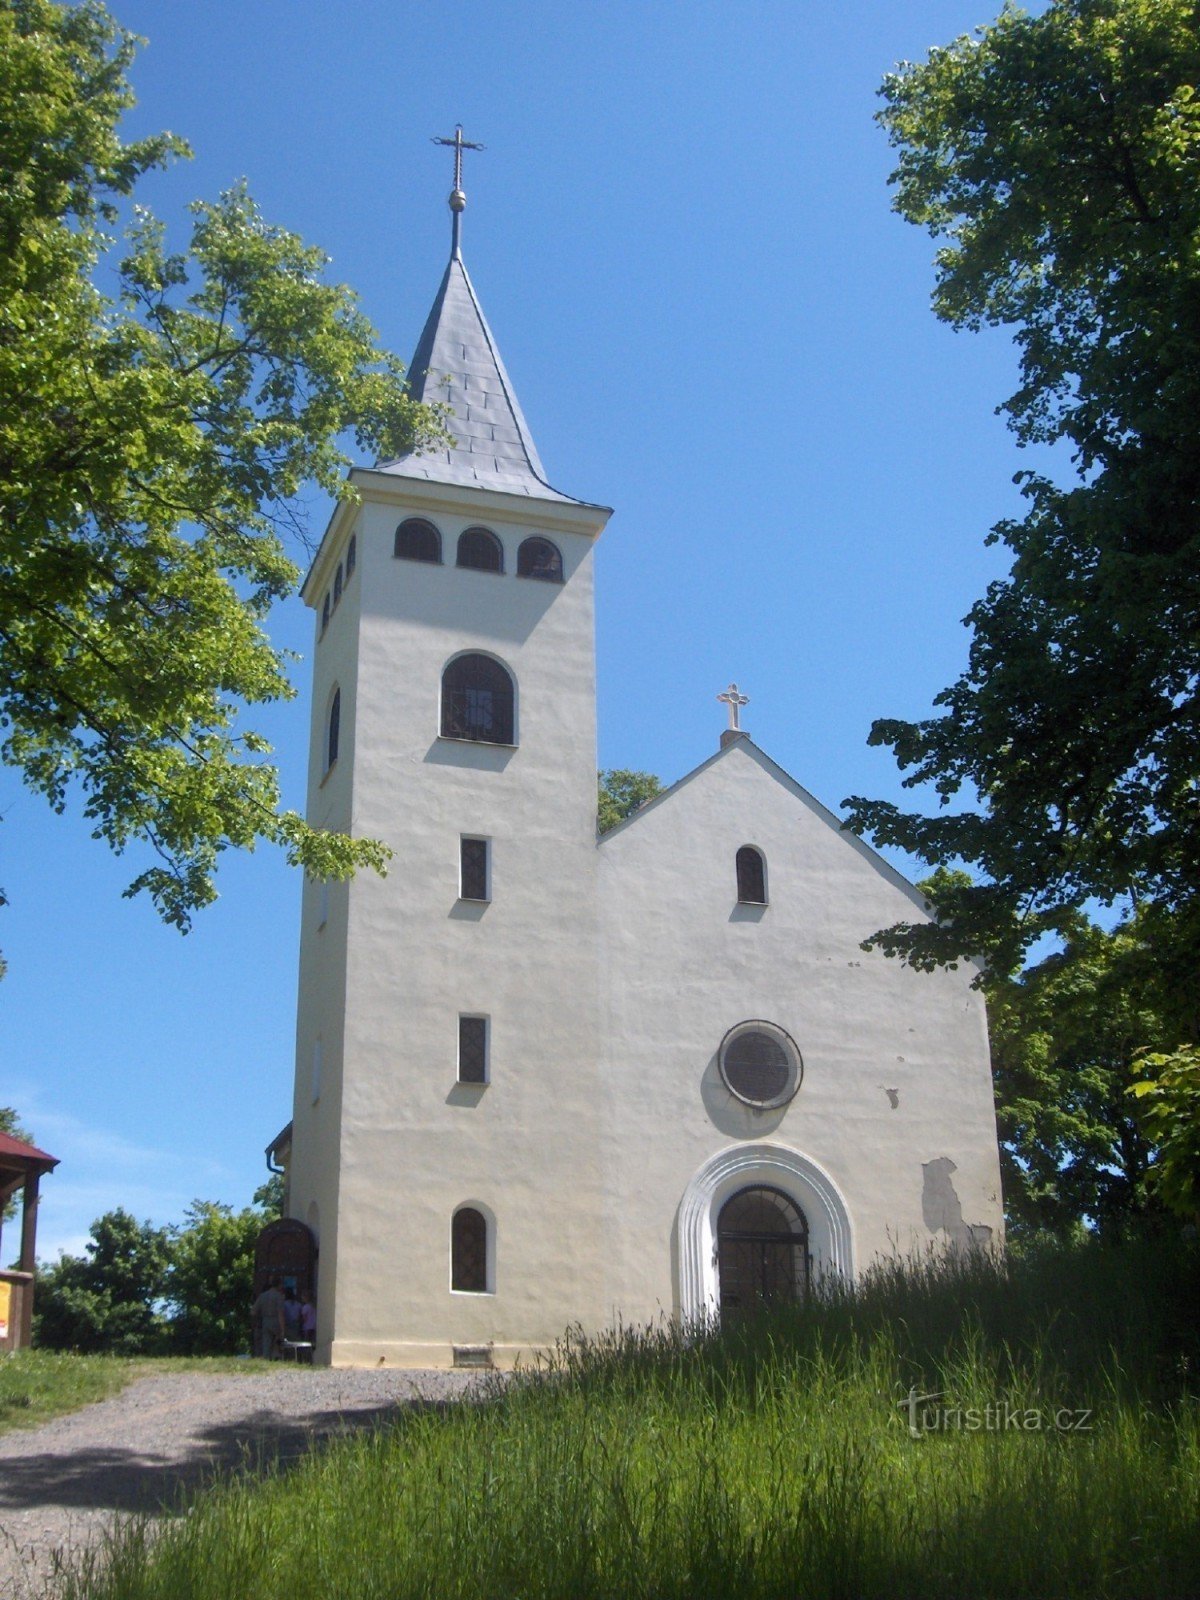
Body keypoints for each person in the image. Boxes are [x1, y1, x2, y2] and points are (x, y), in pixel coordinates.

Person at [251, 1275, 286, 1360]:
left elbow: (253, 1311)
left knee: (266, 1344)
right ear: (279, 1285)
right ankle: (276, 1359)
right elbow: (280, 1314)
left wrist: (257, 1321)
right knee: (277, 1344)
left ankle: (266, 1361)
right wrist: (283, 1329)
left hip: (265, 1320)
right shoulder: (279, 1296)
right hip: (276, 1320)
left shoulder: (262, 1296)